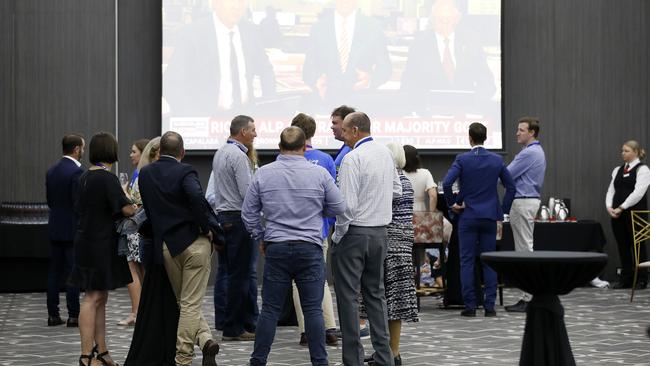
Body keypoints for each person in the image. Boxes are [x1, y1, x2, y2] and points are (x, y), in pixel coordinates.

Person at [243, 126, 346, 366]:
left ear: (280, 147)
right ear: (304, 147)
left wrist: (261, 236)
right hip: (310, 247)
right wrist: (321, 212)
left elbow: (248, 213)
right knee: (313, 310)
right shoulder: (319, 174)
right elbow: (339, 207)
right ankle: (320, 362)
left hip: (276, 247)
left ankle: (257, 361)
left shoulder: (264, 174)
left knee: (269, 309)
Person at [138, 131, 222, 366]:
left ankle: (205, 339)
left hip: (167, 247)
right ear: (182, 153)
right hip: (195, 244)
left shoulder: (145, 175)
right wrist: (206, 227)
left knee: (183, 301)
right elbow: (196, 197)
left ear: (160, 151)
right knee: (190, 303)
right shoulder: (185, 171)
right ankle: (183, 359)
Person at [332, 112, 401, 366]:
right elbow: (397, 189)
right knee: (375, 294)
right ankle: (385, 357)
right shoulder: (385, 153)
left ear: (356, 131)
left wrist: (339, 235)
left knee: (348, 297)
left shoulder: (352, 158)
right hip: (380, 232)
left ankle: (353, 359)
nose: (343, 135)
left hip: (355, 232)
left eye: (345, 131)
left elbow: (347, 206)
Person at [69, 132, 136, 366]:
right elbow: (126, 209)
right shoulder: (107, 178)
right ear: (111, 151)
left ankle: (102, 352)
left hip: (86, 241)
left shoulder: (85, 176)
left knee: (99, 298)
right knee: (92, 297)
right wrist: (134, 202)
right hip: (100, 243)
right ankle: (87, 355)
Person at [442, 122, 515, 317]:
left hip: (468, 216)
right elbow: (511, 187)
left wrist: (452, 204)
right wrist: (503, 210)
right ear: (485, 138)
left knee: (467, 261)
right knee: (489, 261)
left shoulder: (462, 159)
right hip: (490, 216)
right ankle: (490, 307)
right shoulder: (496, 160)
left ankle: (470, 306)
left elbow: (447, 183)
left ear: (470, 138)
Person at [360, 142, 418, 366]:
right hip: (402, 242)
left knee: (384, 299)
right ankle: (390, 352)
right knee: (395, 301)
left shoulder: (391, 181)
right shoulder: (404, 179)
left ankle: (390, 353)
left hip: (389, 241)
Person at [163, 0, 276, 116]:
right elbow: (171, 82)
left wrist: (270, 108)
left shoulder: (251, 31)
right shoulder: (193, 34)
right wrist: (190, 116)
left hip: (246, 118)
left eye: (241, 1)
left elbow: (266, 70)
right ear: (215, 3)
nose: (237, 6)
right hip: (208, 118)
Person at [124, 136, 179, 366]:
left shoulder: (145, 175)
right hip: (160, 241)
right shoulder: (154, 176)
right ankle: (167, 348)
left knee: (157, 294)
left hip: (151, 239)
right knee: (165, 296)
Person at [290, 113, 339, 346]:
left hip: (291, 230)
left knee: (298, 282)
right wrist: (327, 225)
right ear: (312, 132)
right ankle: (329, 328)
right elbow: (334, 197)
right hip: (319, 230)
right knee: (319, 279)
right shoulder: (326, 160)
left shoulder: (285, 161)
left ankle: (306, 331)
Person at [211, 115, 259, 341]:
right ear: (242, 132)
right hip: (239, 219)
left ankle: (238, 323)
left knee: (230, 274)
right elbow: (247, 192)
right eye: (252, 130)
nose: (256, 134)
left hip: (224, 217)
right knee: (240, 277)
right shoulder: (239, 156)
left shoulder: (221, 152)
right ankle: (234, 328)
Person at [401, 0, 495, 111]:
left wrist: (475, 104)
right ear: (432, 20)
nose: (444, 22)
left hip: (466, 112)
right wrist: (422, 107)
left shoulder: (471, 41)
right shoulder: (419, 44)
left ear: (456, 19)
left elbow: (487, 81)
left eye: (448, 18)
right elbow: (408, 83)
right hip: (429, 114)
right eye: (440, 18)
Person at [302, 0, 391, 106]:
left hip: (362, 103)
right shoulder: (318, 28)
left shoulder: (373, 27)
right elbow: (308, 69)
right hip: (326, 102)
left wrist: (370, 80)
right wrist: (316, 81)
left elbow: (385, 68)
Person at [503, 117, 546, 313]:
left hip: (523, 201)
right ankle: (528, 296)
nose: (517, 133)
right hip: (526, 201)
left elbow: (506, 175)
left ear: (532, 133)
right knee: (524, 248)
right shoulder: (534, 151)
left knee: (524, 250)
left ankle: (529, 298)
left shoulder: (528, 153)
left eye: (521, 130)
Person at [45, 134, 84, 328]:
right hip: (72, 229)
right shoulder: (77, 172)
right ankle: (73, 315)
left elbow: (51, 201)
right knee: (72, 272)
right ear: (77, 149)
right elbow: (78, 204)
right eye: (82, 148)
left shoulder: (51, 171)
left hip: (54, 226)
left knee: (54, 271)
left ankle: (53, 314)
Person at [606, 140, 649, 289]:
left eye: (626, 151)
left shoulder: (643, 170)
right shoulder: (617, 169)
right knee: (622, 245)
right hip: (617, 214)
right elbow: (611, 190)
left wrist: (622, 207)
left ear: (636, 152)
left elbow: (638, 193)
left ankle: (642, 279)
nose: (623, 153)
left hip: (636, 213)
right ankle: (627, 278)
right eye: (622, 151)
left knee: (638, 246)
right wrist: (609, 207)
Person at [118, 138, 150, 326]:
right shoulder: (142, 172)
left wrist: (123, 193)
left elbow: (137, 203)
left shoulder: (140, 173)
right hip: (141, 228)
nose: (131, 155)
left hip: (136, 227)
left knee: (133, 270)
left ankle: (137, 312)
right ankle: (142, 311)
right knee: (140, 270)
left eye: (134, 151)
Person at [331, 105, 356, 175]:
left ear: (346, 123)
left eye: (334, 123)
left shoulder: (354, 149)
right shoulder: (346, 147)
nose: (331, 127)